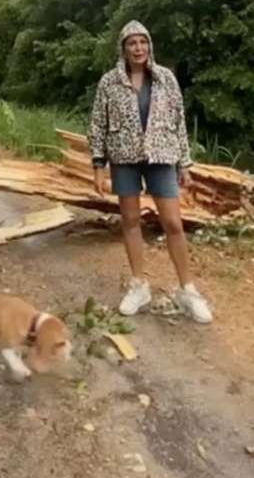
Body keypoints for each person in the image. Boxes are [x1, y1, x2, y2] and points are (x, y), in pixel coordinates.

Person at [88, 20, 212, 323]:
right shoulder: (109, 82)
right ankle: (139, 285)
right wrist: (98, 166)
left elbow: (179, 121)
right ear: (123, 48)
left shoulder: (166, 78)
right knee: (130, 220)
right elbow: (98, 124)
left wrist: (185, 164)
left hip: (162, 157)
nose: (138, 48)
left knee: (172, 222)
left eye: (143, 42)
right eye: (132, 43)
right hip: (124, 158)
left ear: (150, 46)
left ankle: (187, 290)